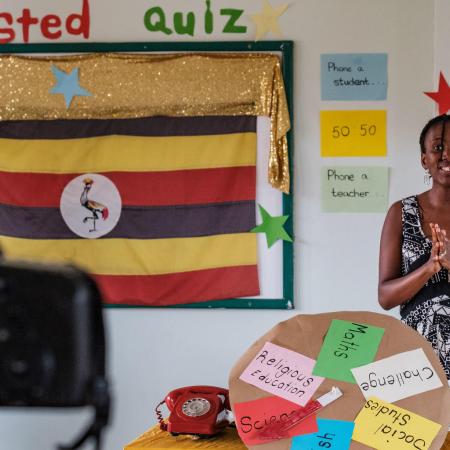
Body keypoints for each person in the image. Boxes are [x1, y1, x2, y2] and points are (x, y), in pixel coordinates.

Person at [378, 114, 450, 381]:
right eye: (438, 147)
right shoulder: (401, 212)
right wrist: (430, 268)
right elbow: (385, 297)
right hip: (417, 362)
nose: (446, 155)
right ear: (424, 159)